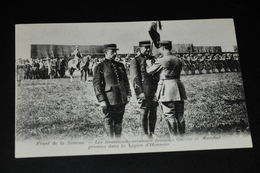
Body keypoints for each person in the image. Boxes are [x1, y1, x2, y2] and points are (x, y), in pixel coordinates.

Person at [146, 41, 187, 137]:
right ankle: (183, 136)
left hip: (166, 89)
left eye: (159, 48)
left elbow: (150, 71)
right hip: (178, 88)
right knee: (180, 114)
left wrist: (149, 64)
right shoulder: (178, 60)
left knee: (169, 115)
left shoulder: (161, 60)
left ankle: (174, 138)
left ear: (163, 48)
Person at [93, 44, 131, 139]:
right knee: (109, 119)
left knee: (119, 119)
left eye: (115, 52)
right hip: (109, 99)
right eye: (112, 52)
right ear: (105, 53)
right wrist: (101, 100)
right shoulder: (100, 67)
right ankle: (111, 141)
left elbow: (125, 81)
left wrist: (128, 94)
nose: (115, 54)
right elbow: (97, 85)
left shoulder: (120, 65)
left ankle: (118, 140)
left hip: (121, 97)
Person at [130, 40, 159, 138]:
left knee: (153, 111)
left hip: (154, 90)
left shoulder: (153, 59)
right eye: (145, 48)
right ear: (140, 49)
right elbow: (135, 78)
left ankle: (152, 132)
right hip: (144, 91)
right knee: (144, 111)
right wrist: (139, 93)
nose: (147, 49)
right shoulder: (136, 60)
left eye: (148, 47)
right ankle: (145, 134)